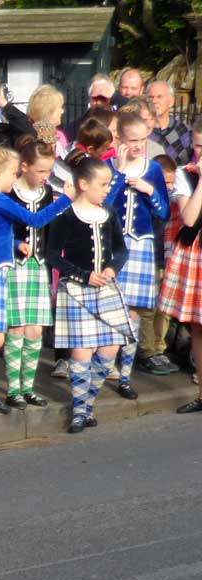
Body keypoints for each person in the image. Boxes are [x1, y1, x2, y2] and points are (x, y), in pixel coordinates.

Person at [0, 147, 72, 420]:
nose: (14, 176)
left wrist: (17, 243)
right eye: (12, 172)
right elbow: (35, 219)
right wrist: (65, 198)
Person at [47, 152, 134, 432]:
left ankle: (87, 404)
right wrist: (83, 275)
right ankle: (80, 410)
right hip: (75, 290)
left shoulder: (108, 214)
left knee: (109, 350)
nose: (108, 190)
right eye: (103, 185)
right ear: (83, 184)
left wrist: (111, 268)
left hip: (106, 289)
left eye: (109, 185)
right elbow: (53, 256)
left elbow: (120, 250)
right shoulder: (66, 216)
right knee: (82, 355)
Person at [109, 109, 170, 390]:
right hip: (116, 243)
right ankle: (105, 366)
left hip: (143, 244)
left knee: (134, 312)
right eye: (131, 140)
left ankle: (125, 374)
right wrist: (120, 176)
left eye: (142, 140)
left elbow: (164, 212)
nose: (137, 146)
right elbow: (104, 208)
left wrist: (150, 190)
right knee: (111, 306)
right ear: (119, 138)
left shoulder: (154, 169)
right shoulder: (109, 167)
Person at [3, 137, 60, 408]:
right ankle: (13, 390)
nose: (45, 176)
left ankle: (28, 388)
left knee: (35, 330)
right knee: (17, 327)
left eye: (48, 171)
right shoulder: (9, 192)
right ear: (24, 167)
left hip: (38, 266)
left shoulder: (46, 192)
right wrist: (16, 243)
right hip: (16, 266)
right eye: (41, 171)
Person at [159, 161, 202, 411]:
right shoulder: (186, 173)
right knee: (198, 327)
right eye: (197, 146)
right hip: (196, 252)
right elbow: (188, 218)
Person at [146, 79, 190, 166]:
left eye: (159, 97)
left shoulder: (184, 130)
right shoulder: (143, 131)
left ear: (171, 101)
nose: (154, 101)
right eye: (151, 97)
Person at [64, 74, 115, 138]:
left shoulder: (120, 123)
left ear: (111, 98)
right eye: (95, 98)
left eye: (103, 98)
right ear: (89, 98)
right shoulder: (74, 128)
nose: (99, 102)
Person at [26, 84, 68, 156]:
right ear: (48, 110)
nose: (62, 111)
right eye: (60, 107)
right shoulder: (32, 135)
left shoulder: (60, 135)